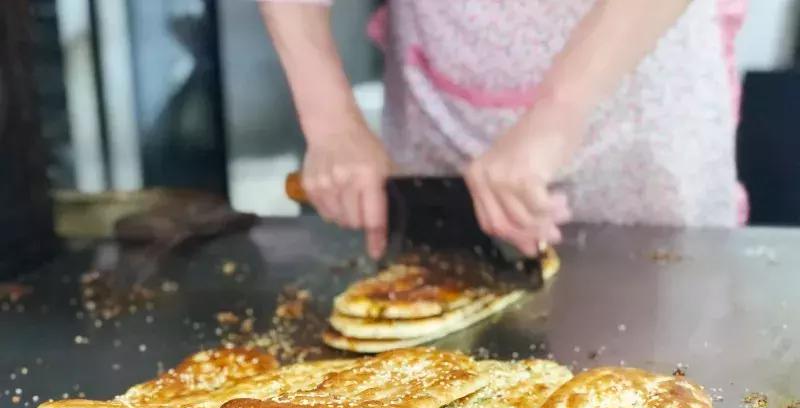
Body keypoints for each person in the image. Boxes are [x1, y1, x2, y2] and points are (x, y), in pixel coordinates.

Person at [259, 0, 748, 258]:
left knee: (665, 378)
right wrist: (331, 122)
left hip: (640, 100)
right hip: (444, 95)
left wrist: (559, 113)